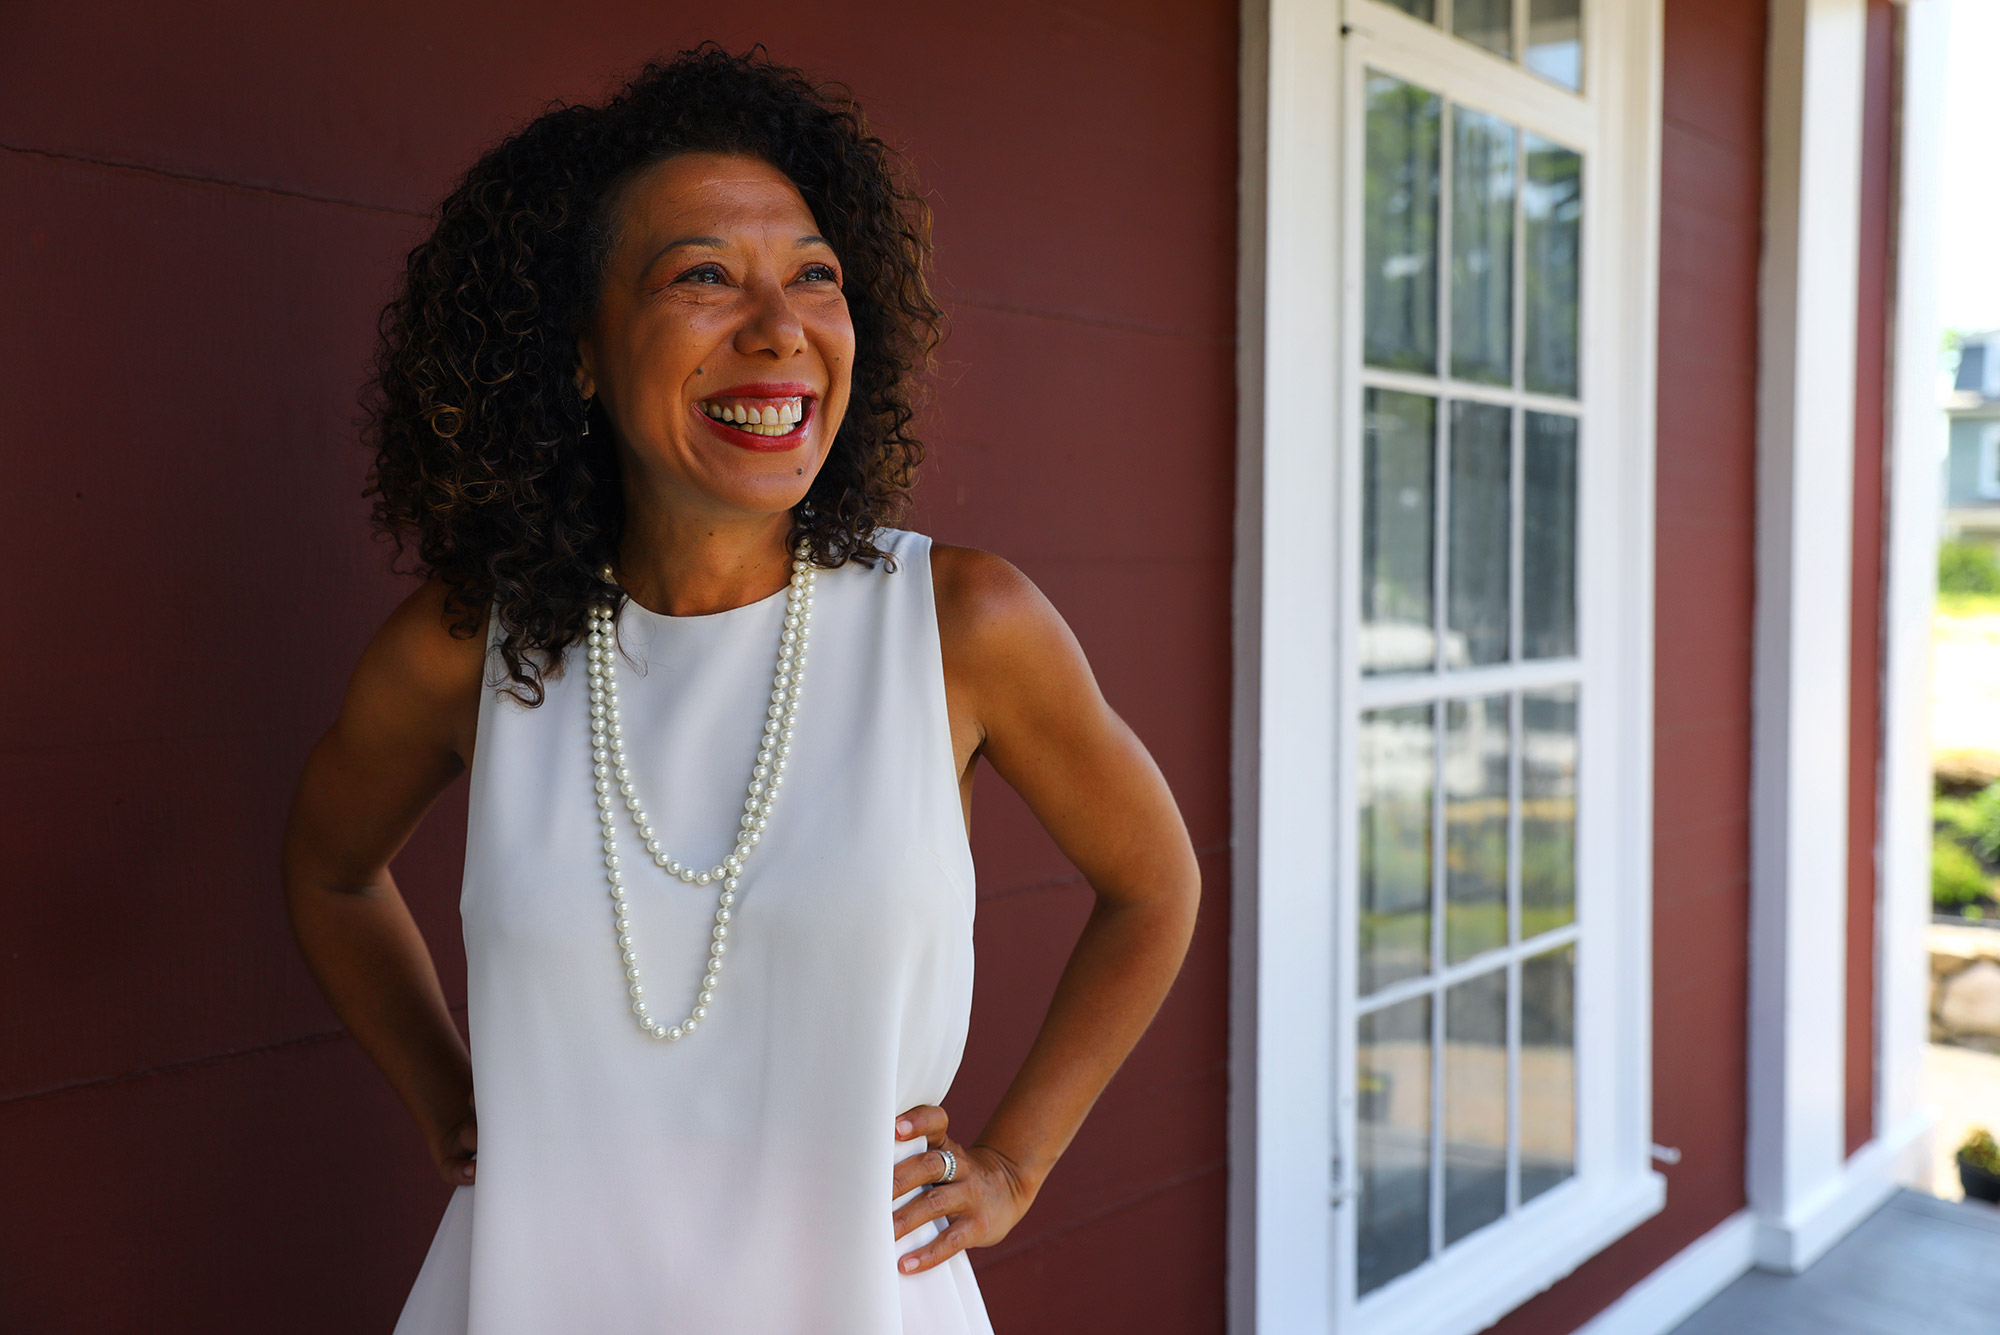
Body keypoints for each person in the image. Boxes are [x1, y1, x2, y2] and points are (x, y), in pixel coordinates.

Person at [281, 45, 1200, 1334]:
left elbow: (1156, 885)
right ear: (581, 352)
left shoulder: (961, 626)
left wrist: (1014, 1163)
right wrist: (451, 1101)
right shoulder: (470, 650)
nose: (780, 330)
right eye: (703, 276)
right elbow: (327, 872)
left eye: (814, 276)